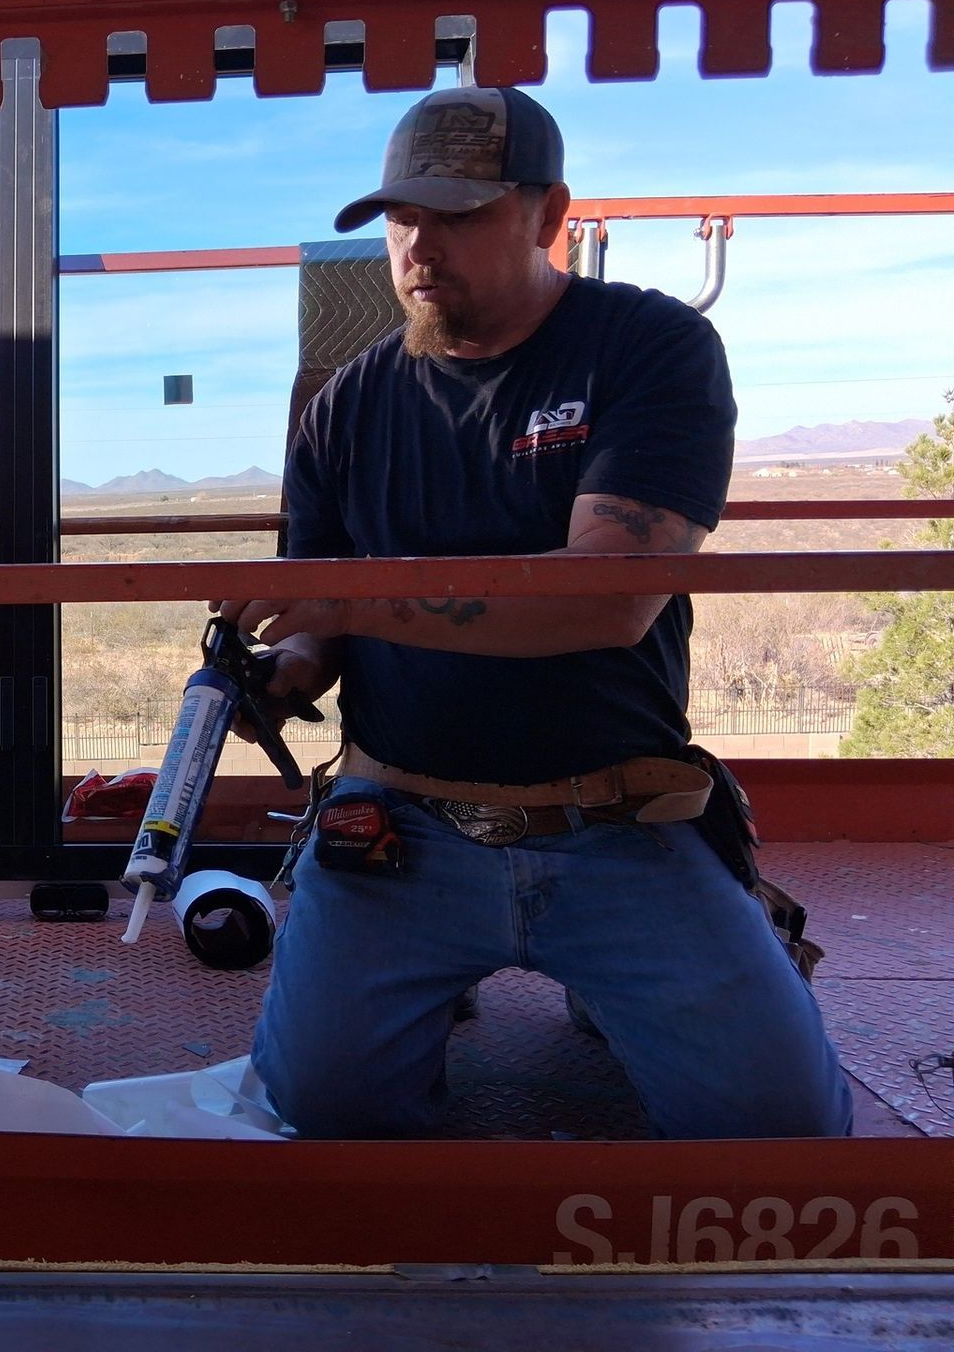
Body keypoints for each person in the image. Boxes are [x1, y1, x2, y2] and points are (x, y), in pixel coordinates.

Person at [216, 85, 852, 1140]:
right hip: (400, 827)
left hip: (617, 824)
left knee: (782, 1135)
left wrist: (340, 601)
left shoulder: (646, 348)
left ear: (550, 214)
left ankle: (621, 967)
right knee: (318, 1118)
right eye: (402, 218)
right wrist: (280, 673)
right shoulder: (347, 403)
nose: (421, 244)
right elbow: (321, 622)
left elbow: (608, 598)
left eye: (458, 214)